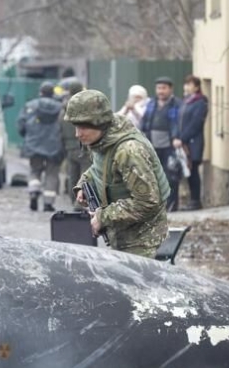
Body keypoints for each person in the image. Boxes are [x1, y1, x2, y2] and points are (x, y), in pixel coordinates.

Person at [66, 89, 170, 258]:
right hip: (123, 235)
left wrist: (102, 217)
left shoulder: (129, 151)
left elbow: (147, 202)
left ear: (99, 122)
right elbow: (100, 168)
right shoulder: (103, 141)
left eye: (83, 127)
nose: (77, 134)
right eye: (76, 126)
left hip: (143, 241)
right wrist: (84, 184)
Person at [18, 81, 64, 212]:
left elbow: (21, 124)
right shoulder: (60, 108)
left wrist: (27, 137)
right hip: (54, 146)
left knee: (35, 170)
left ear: (40, 92)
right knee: (52, 173)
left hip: (34, 144)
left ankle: (34, 191)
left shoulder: (30, 106)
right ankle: (48, 203)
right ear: (53, 93)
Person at [140, 76, 181, 212]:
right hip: (153, 146)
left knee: (171, 176)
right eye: (158, 88)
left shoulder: (177, 104)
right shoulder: (152, 103)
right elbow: (144, 122)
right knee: (154, 176)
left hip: (170, 146)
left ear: (170, 89)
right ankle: (157, 205)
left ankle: (172, 205)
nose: (161, 91)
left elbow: (178, 124)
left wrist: (177, 137)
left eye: (164, 88)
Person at [176, 75, 209, 211]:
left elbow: (195, 124)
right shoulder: (186, 101)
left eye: (190, 85)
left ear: (196, 87)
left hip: (194, 142)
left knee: (193, 171)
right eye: (185, 84)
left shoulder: (200, 102)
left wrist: (182, 138)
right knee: (188, 171)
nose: (186, 87)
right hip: (183, 142)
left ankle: (196, 201)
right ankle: (191, 200)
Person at [59, 79, 90, 207]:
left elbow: (60, 129)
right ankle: (81, 204)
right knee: (86, 176)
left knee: (72, 175)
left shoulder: (63, 109)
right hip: (84, 146)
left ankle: (73, 202)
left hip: (69, 147)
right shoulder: (85, 107)